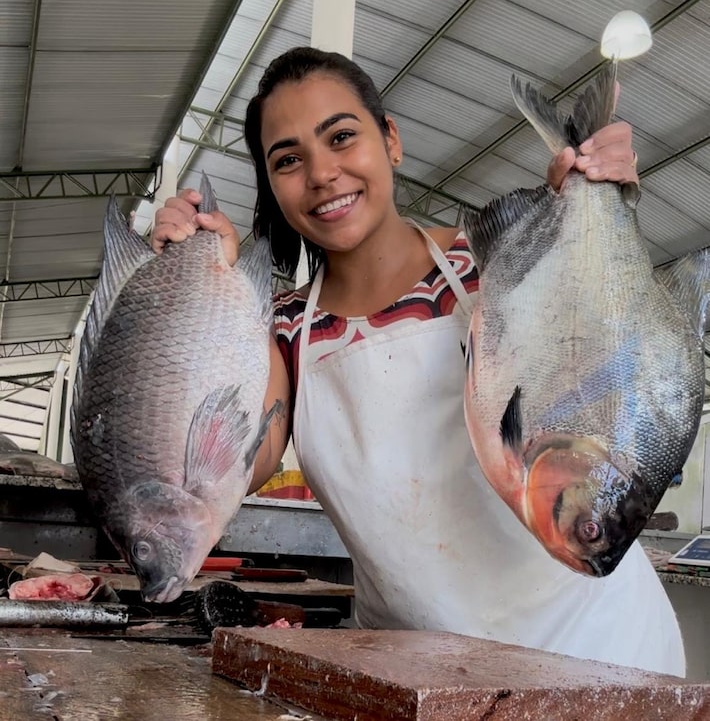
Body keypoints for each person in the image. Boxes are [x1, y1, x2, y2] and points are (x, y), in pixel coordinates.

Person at [152, 46, 685, 676]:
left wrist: (601, 199)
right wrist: (193, 287)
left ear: (391, 140)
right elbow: (232, 466)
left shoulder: (491, 266)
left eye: (341, 137)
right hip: (419, 678)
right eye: (288, 160)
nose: (321, 173)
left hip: (603, 653)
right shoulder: (285, 329)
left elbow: (621, 361)